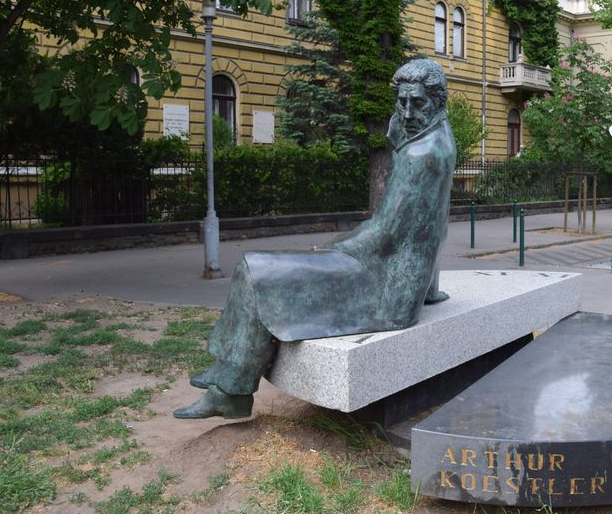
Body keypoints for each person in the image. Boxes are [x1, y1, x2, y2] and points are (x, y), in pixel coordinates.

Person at [174, 58, 456, 419]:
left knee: (252, 270)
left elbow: (385, 233)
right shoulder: (438, 137)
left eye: (417, 103)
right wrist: (429, 289)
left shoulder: (422, 154)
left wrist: (333, 250)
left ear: (437, 102)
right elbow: (435, 222)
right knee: (258, 270)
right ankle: (229, 378)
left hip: (384, 286)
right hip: (398, 279)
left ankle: (231, 389)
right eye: (401, 102)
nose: (406, 113)